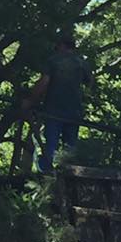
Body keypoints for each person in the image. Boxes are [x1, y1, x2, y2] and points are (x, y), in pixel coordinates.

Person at [23, 31, 92, 172]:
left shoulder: (54, 61)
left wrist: (31, 100)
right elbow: (90, 82)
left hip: (54, 109)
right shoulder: (82, 64)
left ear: (61, 45)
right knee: (70, 146)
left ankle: (47, 174)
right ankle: (70, 173)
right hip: (75, 111)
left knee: (51, 144)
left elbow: (44, 82)